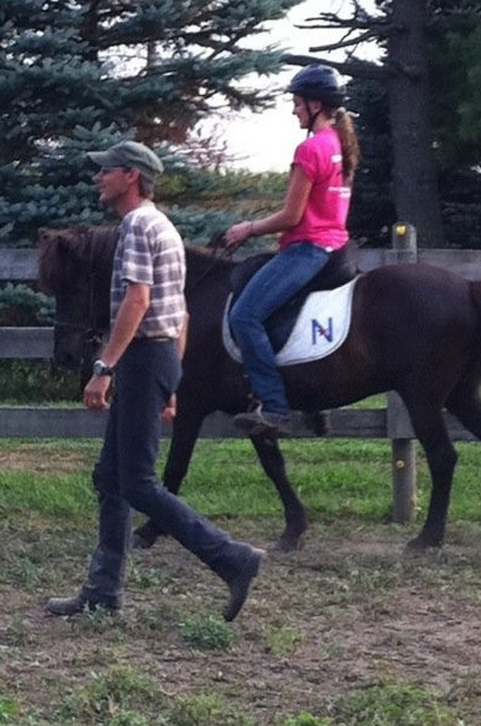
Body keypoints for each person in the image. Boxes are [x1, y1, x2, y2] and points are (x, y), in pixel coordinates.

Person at [46, 140, 264, 622]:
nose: (99, 178)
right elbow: (180, 311)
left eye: (107, 171)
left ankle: (232, 558)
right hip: (157, 360)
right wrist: (175, 380)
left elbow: (139, 302)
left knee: (139, 483)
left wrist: (104, 369)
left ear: (131, 176)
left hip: (143, 359)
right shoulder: (163, 226)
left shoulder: (138, 227)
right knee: (110, 476)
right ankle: (103, 591)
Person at [225, 65, 360, 436]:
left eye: (297, 103)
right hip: (336, 247)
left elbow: (291, 215)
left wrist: (247, 229)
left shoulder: (310, 149)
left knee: (245, 317)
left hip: (309, 249)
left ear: (315, 104)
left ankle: (275, 406)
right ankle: (315, 401)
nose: (294, 110)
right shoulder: (341, 145)